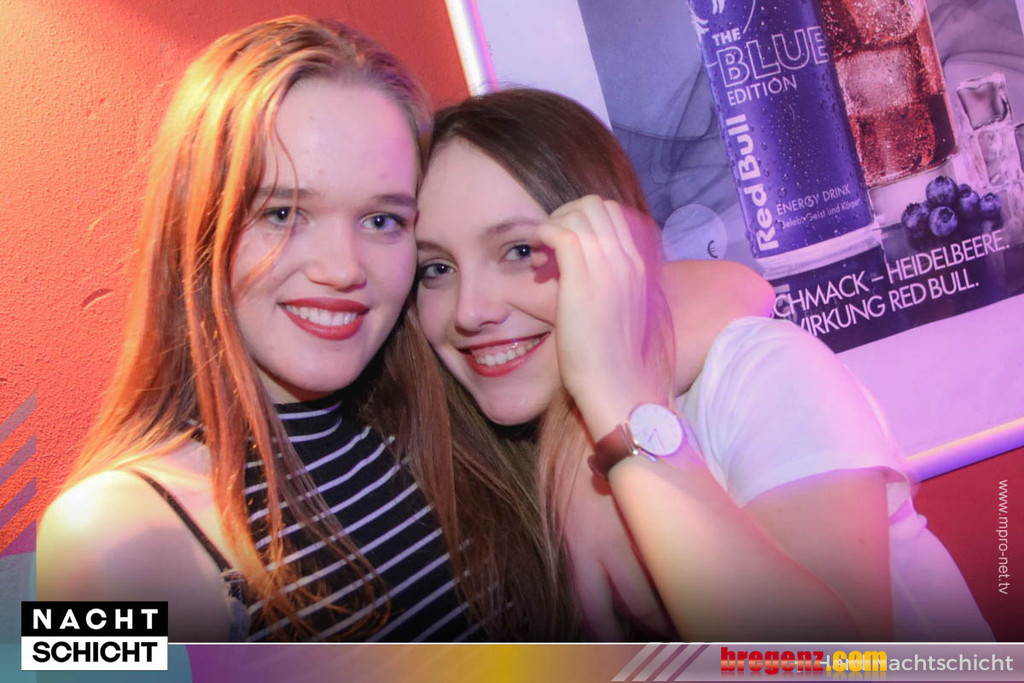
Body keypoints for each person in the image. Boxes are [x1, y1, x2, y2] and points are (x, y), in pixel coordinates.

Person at [37, 18, 773, 642]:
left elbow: (734, 286)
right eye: (283, 213)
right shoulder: (111, 531)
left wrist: (586, 446)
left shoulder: (433, 401)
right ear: (200, 229)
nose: (342, 268)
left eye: (382, 220)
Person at [413, 88, 994, 641]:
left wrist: (616, 432)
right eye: (436, 268)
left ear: (614, 253)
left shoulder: (759, 372)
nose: (470, 311)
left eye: (519, 251)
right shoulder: (450, 454)